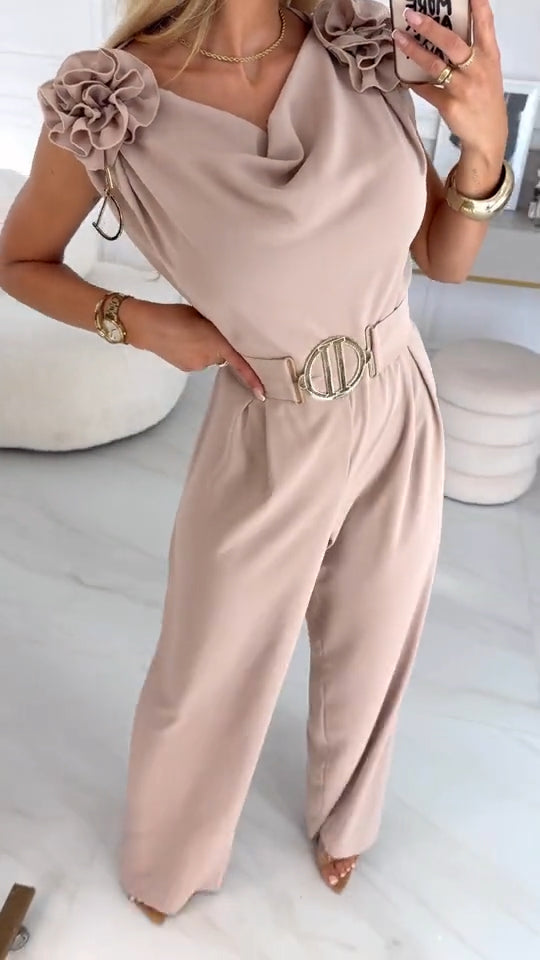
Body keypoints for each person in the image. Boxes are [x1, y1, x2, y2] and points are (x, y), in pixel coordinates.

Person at [0, 0, 511, 925]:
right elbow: (19, 260)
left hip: (398, 397)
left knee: (377, 638)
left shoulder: (359, 48)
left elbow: (442, 259)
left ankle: (346, 817)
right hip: (269, 419)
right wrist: (143, 324)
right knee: (211, 663)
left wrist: (484, 146)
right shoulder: (110, 103)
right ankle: (170, 856)